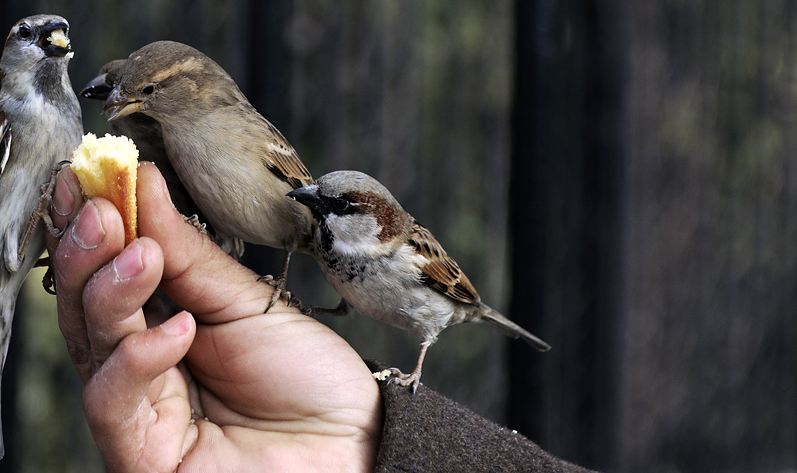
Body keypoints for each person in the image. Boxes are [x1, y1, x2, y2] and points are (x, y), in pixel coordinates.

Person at [45, 163, 595, 473]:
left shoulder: (410, 253)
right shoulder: (330, 252)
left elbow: (457, 295)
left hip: (446, 313)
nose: (315, 207)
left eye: (335, 207)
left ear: (376, 222)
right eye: (318, 199)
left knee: (430, 332)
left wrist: (406, 393)